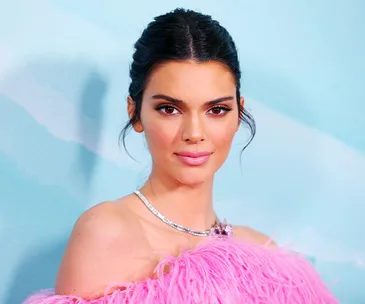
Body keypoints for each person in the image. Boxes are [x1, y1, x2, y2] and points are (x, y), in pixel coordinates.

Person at [24, 8, 338, 304]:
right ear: (135, 113)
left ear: (239, 113)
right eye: (170, 109)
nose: (194, 133)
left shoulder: (264, 256)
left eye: (217, 110)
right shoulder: (108, 231)